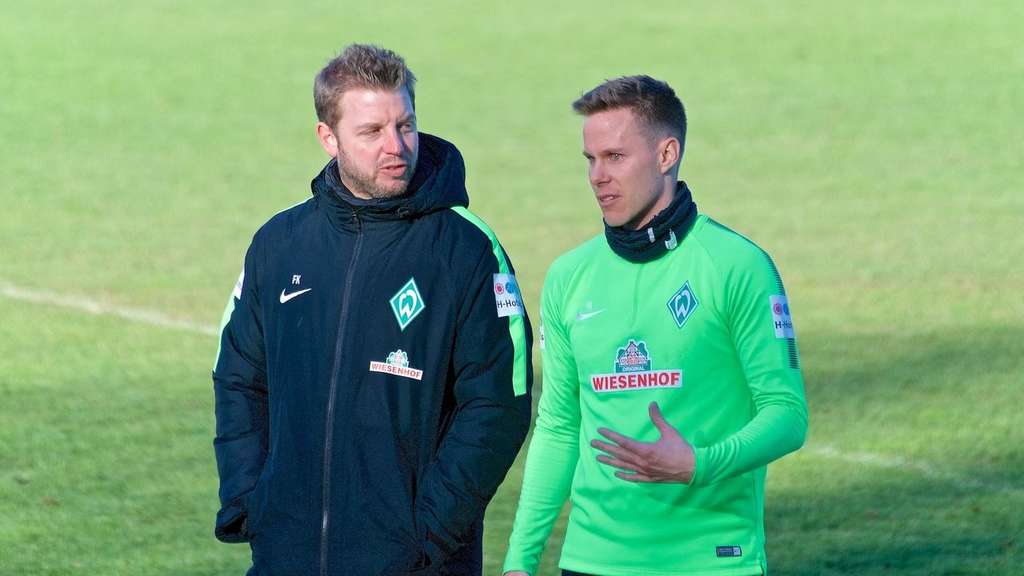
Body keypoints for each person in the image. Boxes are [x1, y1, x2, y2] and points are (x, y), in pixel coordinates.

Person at [212, 44, 533, 576]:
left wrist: (427, 534)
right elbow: (239, 377)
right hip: (285, 556)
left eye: (405, 125)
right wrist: (250, 499)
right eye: (372, 131)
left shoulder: (466, 249)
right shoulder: (280, 243)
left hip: (414, 562)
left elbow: (498, 402)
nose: (395, 146)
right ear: (328, 137)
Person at [502, 76, 808, 576]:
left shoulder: (737, 266)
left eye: (615, 157)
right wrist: (520, 560)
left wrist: (699, 465)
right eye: (590, 159)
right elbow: (559, 425)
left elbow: (787, 414)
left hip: (710, 562)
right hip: (591, 561)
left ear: (667, 154)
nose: (598, 176)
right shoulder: (568, 277)